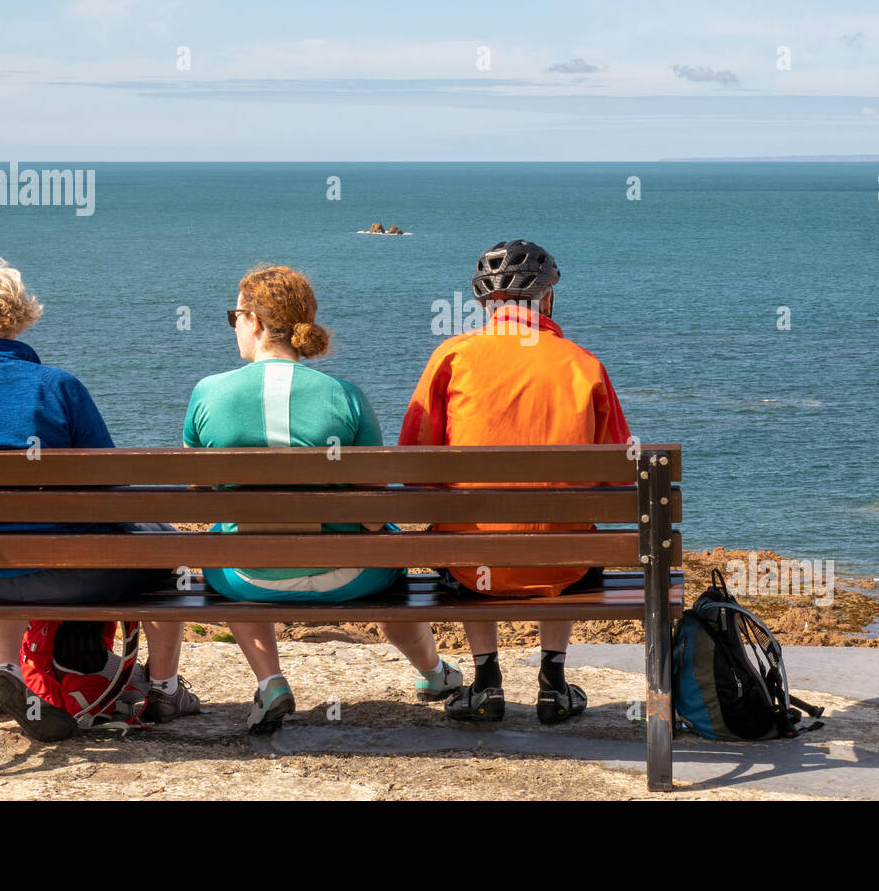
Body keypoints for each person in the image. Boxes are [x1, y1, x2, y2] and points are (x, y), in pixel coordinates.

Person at [0, 257, 200, 741]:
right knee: (168, 552)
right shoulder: (59, 387)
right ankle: (164, 688)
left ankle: (9, 668)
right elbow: (112, 484)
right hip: (73, 579)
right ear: (22, 315)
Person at [183, 264, 461, 733]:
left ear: (252, 322)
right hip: (350, 577)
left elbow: (198, 497)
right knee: (386, 548)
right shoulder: (346, 397)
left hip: (247, 579)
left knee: (222, 540)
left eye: (235, 317)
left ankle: (271, 681)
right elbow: (375, 514)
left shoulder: (209, 393)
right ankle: (434, 674)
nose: (235, 328)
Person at [399, 240, 632, 724]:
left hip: (472, 566)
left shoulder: (452, 356)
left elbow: (414, 467)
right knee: (570, 535)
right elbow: (618, 469)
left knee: (462, 537)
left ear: (485, 302)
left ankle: (486, 683)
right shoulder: (583, 364)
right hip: (563, 568)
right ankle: (553, 683)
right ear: (547, 299)